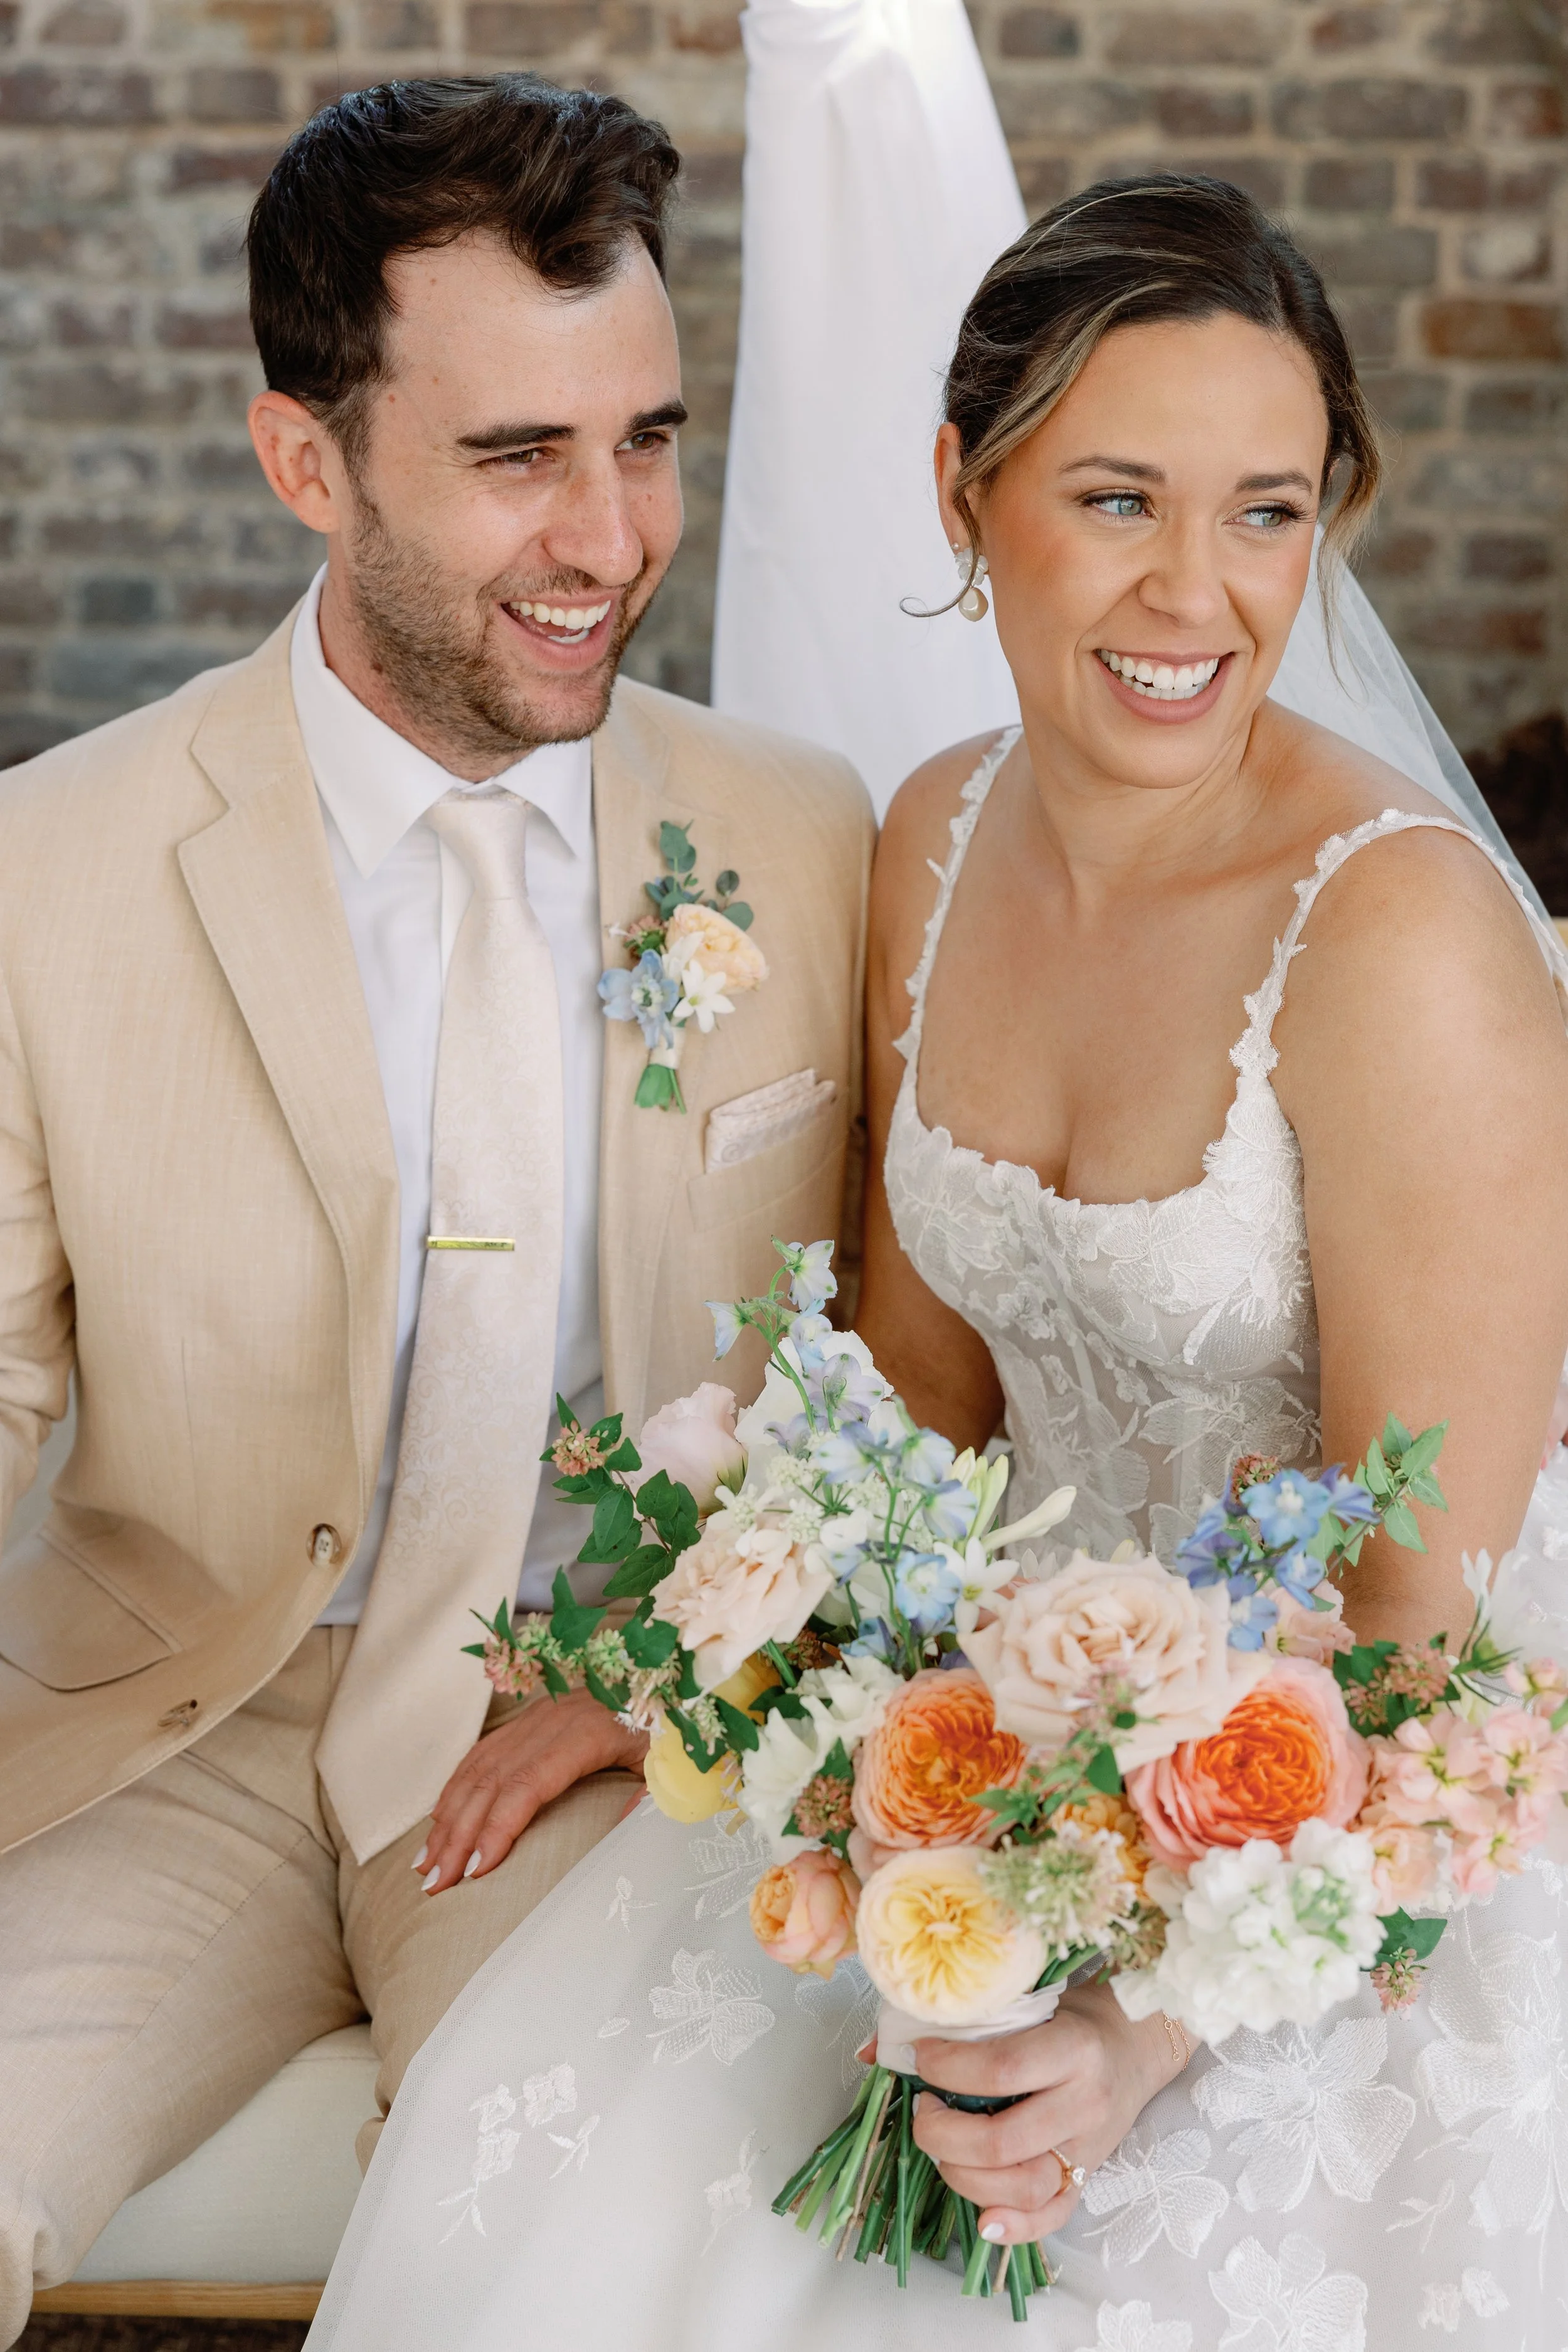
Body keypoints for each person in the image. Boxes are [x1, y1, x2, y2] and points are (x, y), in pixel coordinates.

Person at [305, 177, 1568, 2350]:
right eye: (1114, 497)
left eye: (1267, 511)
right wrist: (674, 1664)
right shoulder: (934, 829)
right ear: (963, 499)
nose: (1199, 591)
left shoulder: (1404, 941)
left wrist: (1154, 2025)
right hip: (994, 1701)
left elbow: (1413, 1627)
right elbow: (913, 1394)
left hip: (1359, 1785)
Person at [0, 75, 872, 2341]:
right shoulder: (47, 875)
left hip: (593, 1722)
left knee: (604, 2235)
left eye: (648, 438)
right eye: (515, 460)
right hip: (174, 1721)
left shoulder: (812, 837)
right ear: (309, 462)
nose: (608, 536)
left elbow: (897, 1354)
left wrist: (691, 1667)